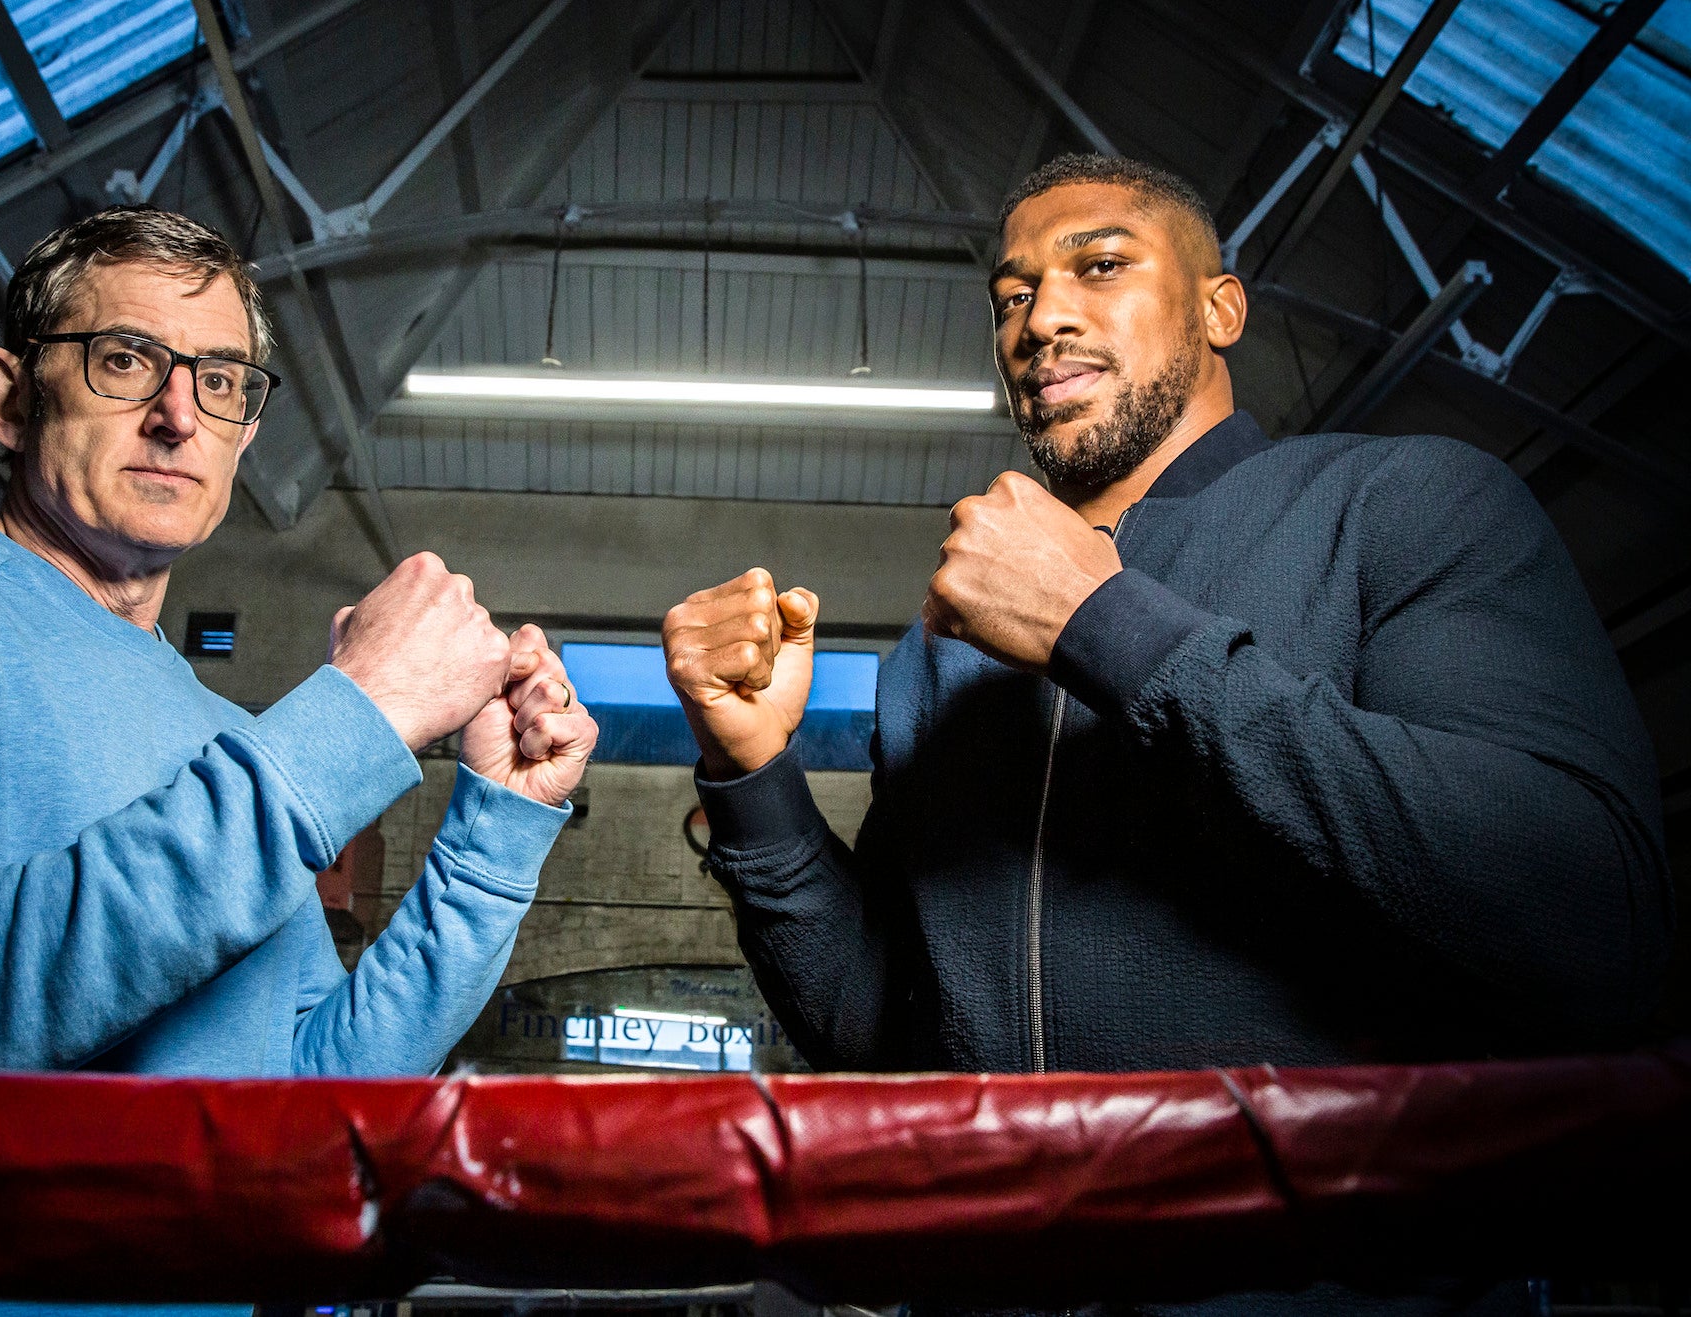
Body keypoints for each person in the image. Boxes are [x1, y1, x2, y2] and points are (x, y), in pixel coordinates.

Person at [666, 155, 1670, 1112]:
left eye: (1100, 266)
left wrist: (1102, 625)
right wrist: (753, 779)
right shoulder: (941, 656)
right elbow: (876, 1035)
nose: (1040, 320)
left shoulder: (1404, 502)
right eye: (1011, 297)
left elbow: (1594, 930)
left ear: (1218, 309)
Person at [0, 206, 597, 1078]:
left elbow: (317, 1082)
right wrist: (361, 711)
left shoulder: (231, 736)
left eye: (220, 381)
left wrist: (494, 830)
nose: (179, 416)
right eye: (124, 360)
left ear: (243, 433)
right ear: (9, 398)